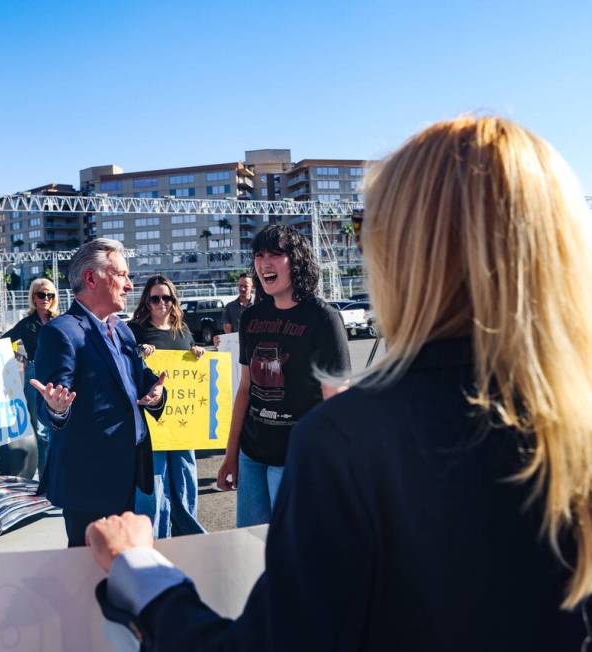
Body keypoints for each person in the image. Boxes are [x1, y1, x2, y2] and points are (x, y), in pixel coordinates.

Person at [86, 116, 592, 650]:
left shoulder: (350, 442)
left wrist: (137, 570)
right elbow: (245, 389)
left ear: (406, 252)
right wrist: (234, 453)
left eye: (365, 227)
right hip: (259, 452)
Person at [30, 238, 168, 547]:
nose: (130, 286)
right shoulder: (61, 333)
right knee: (88, 571)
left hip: (128, 472)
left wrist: (156, 394)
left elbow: (140, 379)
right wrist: (57, 408)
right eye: (121, 275)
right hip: (89, 481)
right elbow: (49, 404)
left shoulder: (121, 328)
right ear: (91, 278)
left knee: (121, 566)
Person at [216, 224, 350, 527]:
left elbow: (336, 402)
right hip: (252, 456)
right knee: (250, 548)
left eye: (275, 255)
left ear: (297, 261)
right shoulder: (251, 317)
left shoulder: (323, 318)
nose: (264, 263)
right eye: (259, 255)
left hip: (298, 459)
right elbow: (245, 389)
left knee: (295, 553)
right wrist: (231, 453)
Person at [128, 275, 206, 538]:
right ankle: (155, 541)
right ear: (146, 302)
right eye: (155, 298)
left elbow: (195, 367)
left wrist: (199, 353)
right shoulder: (135, 330)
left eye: (167, 297)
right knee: (155, 486)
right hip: (151, 424)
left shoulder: (183, 332)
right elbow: (126, 366)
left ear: (174, 301)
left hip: (184, 425)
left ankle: (188, 538)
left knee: (185, 481)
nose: (162, 303)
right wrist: (139, 351)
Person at [1, 277, 60, 481]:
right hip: (35, 376)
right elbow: (3, 341)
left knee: (59, 428)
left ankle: (59, 476)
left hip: (59, 375)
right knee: (41, 431)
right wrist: (19, 356)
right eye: (41, 294)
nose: (45, 298)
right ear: (33, 297)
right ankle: (45, 480)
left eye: (49, 295)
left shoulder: (60, 321)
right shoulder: (26, 324)